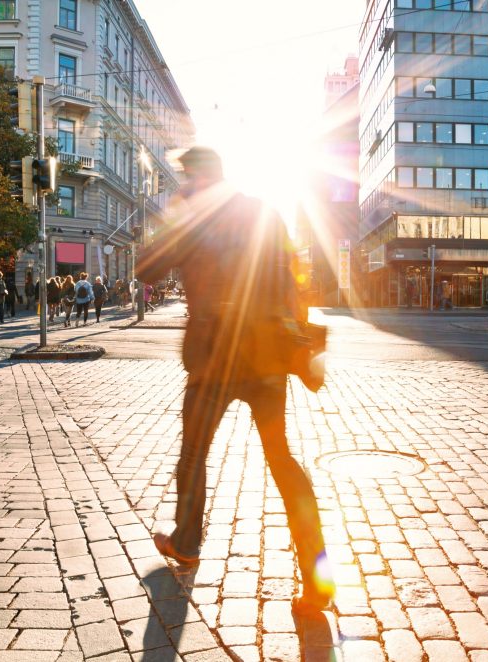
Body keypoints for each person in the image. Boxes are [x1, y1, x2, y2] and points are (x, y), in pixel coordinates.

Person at [137, 146, 334, 617]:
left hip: (213, 359)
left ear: (196, 180)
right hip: (266, 356)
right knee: (282, 459)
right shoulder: (264, 212)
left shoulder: (193, 218)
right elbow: (296, 277)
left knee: (194, 454)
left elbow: (148, 269)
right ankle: (318, 575)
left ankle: (187, 541)